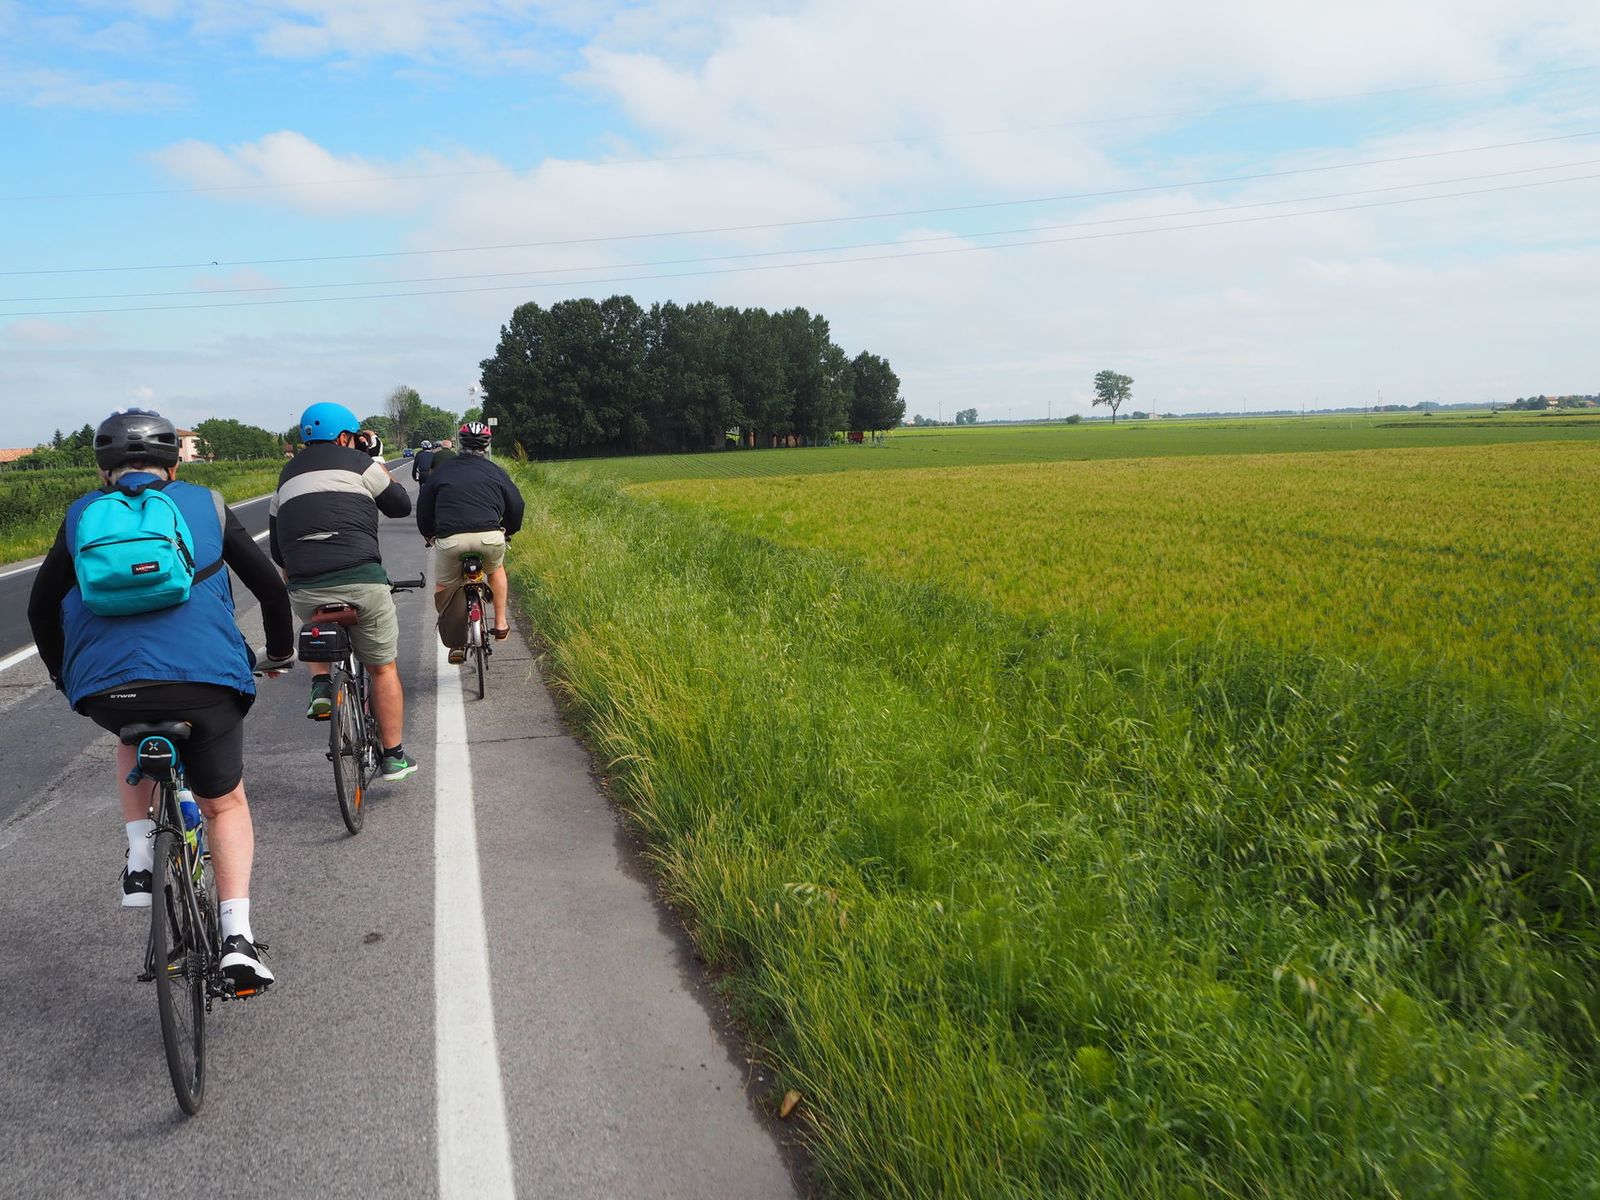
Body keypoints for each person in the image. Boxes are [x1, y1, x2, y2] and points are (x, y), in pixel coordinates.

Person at [27, 408, 295, 990]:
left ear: (104, 470)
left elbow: (39, 609)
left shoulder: (81, 515)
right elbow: (271, 590)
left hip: (107, 690)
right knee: (225, 805)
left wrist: (65, 677)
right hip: (205, 682)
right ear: (173, 464)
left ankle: (140, 859)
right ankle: (237, 941)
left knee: (129, 730)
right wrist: (278, 652)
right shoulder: (207, 504)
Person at [271, 402, 418, 781]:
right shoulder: (360, 463)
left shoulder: (286, 476)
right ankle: (393, 756)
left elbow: (278, 551)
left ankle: (321, 684)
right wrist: (375, 461)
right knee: (382, 668)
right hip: (361, 579)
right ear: (343, 437)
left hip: (305, 588)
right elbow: (401, 505)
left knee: (313, 612)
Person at [417, 421, 524, 664]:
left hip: (451, 539)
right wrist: (509, 530)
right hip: (489, 536)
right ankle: (500, 623)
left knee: (445, 584)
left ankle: (456, 642)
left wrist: (428, 533)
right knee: (495, 570)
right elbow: (517, 505)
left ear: (460, 443)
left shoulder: (443, 470)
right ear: (487, 445)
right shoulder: (495, 471)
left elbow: (424, 506)